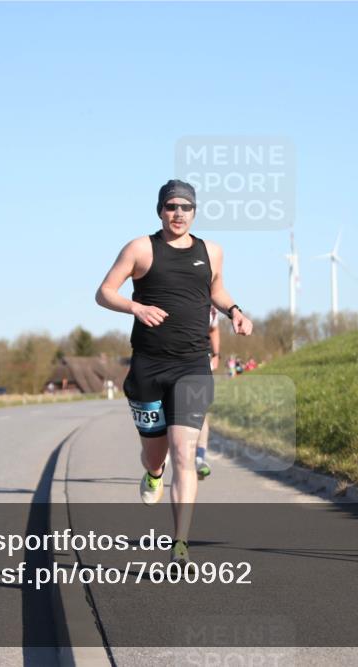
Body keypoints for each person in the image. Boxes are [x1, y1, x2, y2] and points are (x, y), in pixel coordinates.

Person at [95, 179, 253, 570]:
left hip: (193, 365)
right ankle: (153, 473)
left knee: (185, 451)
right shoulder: (140, 248)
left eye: (185, 207)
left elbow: (217, 289)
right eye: (171, 206)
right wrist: (136, 308)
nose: (178, 213)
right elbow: (104, 292)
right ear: (160, 210)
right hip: (149, 365)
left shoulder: (211, 251)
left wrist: (235, 311)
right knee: (156, 454)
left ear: (194, 211)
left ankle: (180, 544)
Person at [195, 306, 220, 480]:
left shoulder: (211, 305)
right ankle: (158, 464)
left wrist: (216, 354)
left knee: (200, 412)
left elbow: (214, 328)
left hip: (198, 363)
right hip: (167, 362)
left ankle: (199, 458)